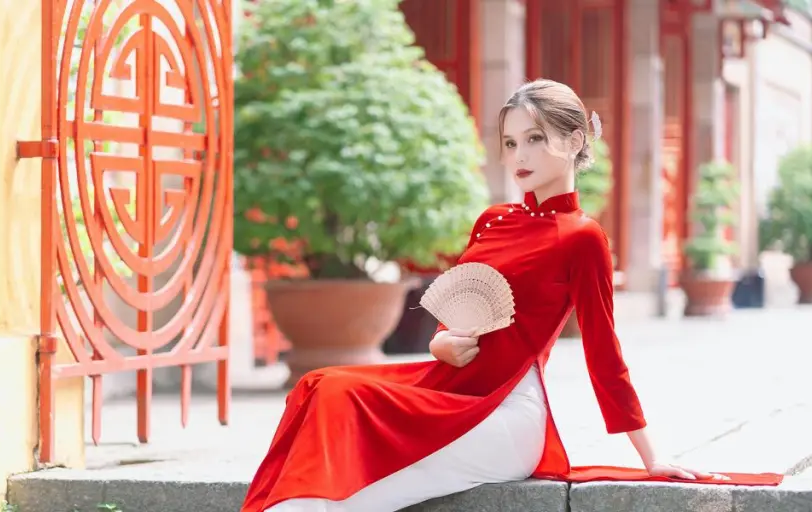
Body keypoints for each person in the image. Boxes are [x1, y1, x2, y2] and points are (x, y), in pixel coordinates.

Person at [240, 79, 782, 512]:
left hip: (505, 413)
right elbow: (451, 313)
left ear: (573, 142)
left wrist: (652, 456)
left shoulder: (583, 236)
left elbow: (604, 354)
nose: (518, 154)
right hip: (448, 390)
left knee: (343, 482)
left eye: (536, 138)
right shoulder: (491, 221)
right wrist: (441, 344)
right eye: (509, 141)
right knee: (326, 387)